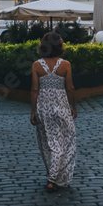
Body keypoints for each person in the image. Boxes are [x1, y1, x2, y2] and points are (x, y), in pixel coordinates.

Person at [30, 31, 76, 191]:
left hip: (43, 107)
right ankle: (54, 177)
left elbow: (34, 89)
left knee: (47, 143)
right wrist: (73, 106)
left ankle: (52, 175)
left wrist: (32, 111)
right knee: (66, 140)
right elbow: (69, 88)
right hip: (61, 106)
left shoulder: (36, 65)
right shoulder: (66, 65)